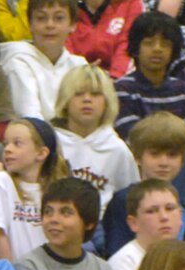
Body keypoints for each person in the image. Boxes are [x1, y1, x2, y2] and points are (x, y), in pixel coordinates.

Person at [111, 12, 185, 234]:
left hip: (178, 154)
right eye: (149, 43)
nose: (157, 49)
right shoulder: (123, 87)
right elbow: (133, 135)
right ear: (136, 49)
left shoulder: (181, 87)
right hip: (146, 157)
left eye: (165, 44)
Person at [94, 112, 185, 259]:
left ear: (183, 160)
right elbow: (117, 252)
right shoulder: (124, 200)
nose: (164, 163)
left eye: (172, 155)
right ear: (138, 157)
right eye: (155, 154)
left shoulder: (183, 206)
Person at [52, 63, 134, 214]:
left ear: (106, 102)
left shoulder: (117, 149)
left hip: (98, 226)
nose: (87, 99)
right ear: (66, 101)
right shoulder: (51, 143)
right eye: (78, 94)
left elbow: (130, 198)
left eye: (95, 94)